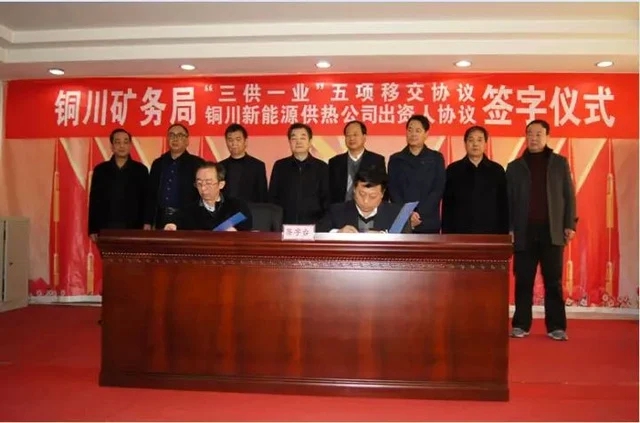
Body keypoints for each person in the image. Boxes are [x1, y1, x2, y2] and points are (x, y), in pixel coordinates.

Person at [507, 119, 577, 341]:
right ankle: (520, 324)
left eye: (538, 134)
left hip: (552, 231)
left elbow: (568, 195)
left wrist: (569, 224)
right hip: (524, 232)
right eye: (530, 134)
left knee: (553, 281)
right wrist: (510, 228)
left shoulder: (559, 163)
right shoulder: (515, 167)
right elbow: (508, 201)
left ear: (547, 136)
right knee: (523, 280)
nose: (534, 138)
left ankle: (556, 326)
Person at [441, 125, 509, 234]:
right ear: (465, 143)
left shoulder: (497, 170)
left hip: (491, 232)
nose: (475, 144)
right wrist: (447, 234)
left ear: (485, 144)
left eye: (479, 140)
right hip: (460, 232)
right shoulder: (453, 170)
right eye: (471, 140)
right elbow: (447, 206)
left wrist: (503, 234)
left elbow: (503, 204)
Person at [388, 115, 446, 233]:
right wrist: (407, 213)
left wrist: (419, 213)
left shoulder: (436, 158)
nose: (413, 134)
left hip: (427, 221)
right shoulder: (396, 159)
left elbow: (438, 189)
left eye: (418, 130)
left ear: (426, 134)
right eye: (410, 130)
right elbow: (393, 190)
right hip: (402, 220)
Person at [88, 128, 149, 241]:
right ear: (112, 146)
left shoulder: (141, 170)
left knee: (131, 253)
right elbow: (95, 200)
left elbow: (146, 199)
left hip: (134, 227)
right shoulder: (100, 170)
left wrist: (147, 222)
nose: (122, 146)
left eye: (125, 142)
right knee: (108, 253)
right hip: (106, 226)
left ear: (130, 145)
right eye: (117, 142)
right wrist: (93, 228)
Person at [144, 123, 204, 230]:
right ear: (167, 139)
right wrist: (147, 221)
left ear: (187, 141)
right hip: (161, 218)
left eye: (180, 135)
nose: (175, 139)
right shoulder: (158, 163)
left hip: (187, 220)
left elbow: (203, 195)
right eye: (171, 135)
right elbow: (151, 195)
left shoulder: (197, 164)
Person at [268, 122, 330, 225]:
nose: (298, 142)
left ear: (310, 142)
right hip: (285, 225)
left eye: (302, 138)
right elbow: (272, 198)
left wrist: (322, 224)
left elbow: (326, 200)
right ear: (289, 142)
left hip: (314, 225)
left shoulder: (322, 167)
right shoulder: (280, 166)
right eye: (294, 138)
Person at [163, 162, 253, 231]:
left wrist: (235, 232)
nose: (203, 188)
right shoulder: (188, 211)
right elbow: (174, 221)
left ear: (221, 184)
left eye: (208, 183)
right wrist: (171, 225)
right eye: (199, 183)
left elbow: (246, 227)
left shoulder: (237, 206)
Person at [317, 168, 411, 233]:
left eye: (372, 196)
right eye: (362, 194)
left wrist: (384, 237)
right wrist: (338, 233)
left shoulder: (398, 215)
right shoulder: (336, 211)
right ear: (354, 190)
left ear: (382, 194)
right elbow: (317, 233)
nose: (366, 201)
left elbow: (407, 244)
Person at [328, 120, 386, 204]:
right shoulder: (335, 162)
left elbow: (383, 189)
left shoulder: (376, 160)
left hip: (367, 207)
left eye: (355, 135)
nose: (351, 138)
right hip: (341, 208)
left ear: (364, 137)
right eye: (348, 135)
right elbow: (329, 191)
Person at [219, 123, 269, 203]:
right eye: (230, 140)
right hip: (226, 210)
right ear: (226, 142)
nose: (234, 143)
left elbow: (262, 196)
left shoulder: (257, 166)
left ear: (245, 141)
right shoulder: (219, 166)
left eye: (238, 139)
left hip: (250, 210)